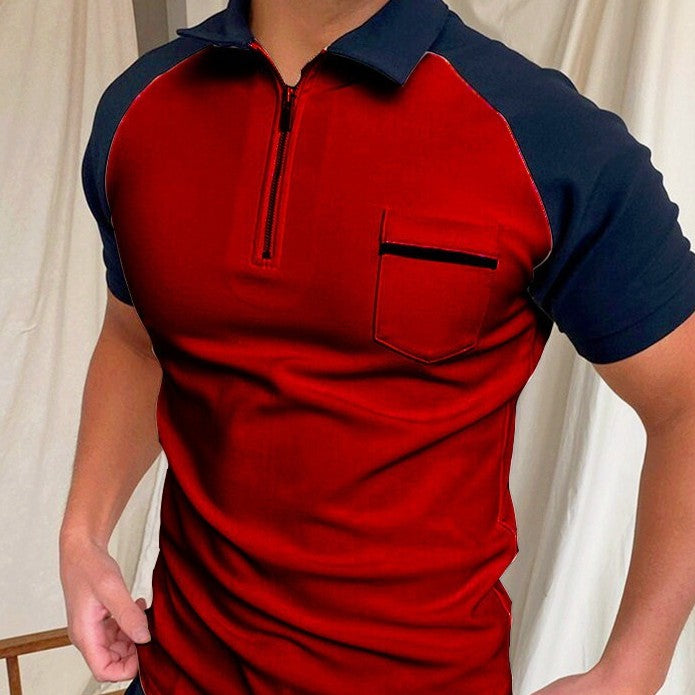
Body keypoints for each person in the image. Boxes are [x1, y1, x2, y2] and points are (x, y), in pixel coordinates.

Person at [59, 0, 695, 693]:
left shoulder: (546, 137)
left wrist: (632, 670)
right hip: (176, 674)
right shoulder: (140, 111)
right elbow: (137, 338)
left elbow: (684, 400)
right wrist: (83, 530)